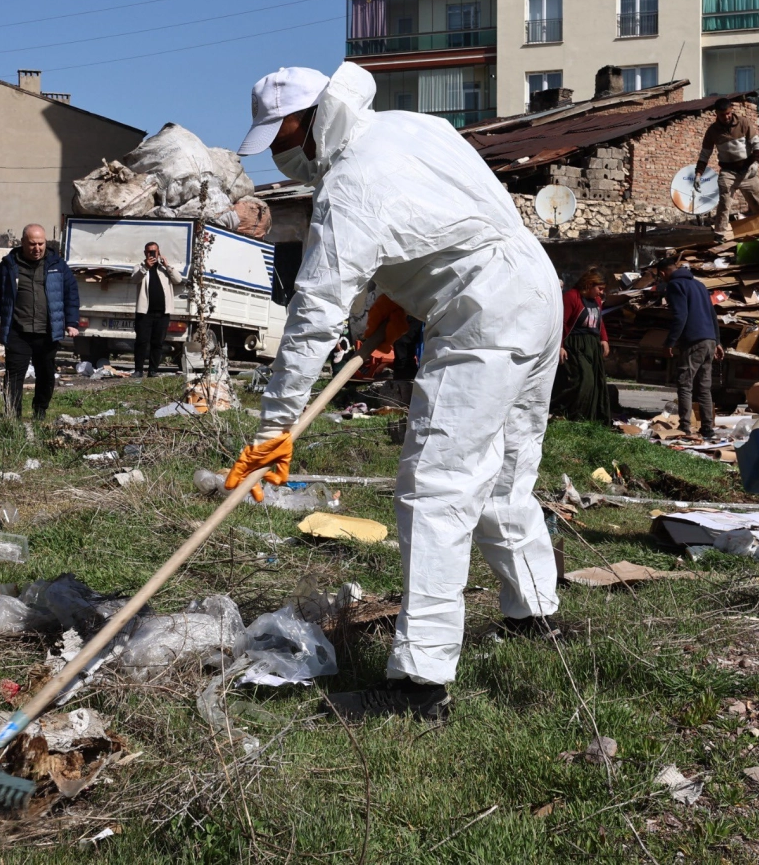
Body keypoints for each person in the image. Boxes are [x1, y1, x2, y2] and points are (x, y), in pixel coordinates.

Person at [226, 62, 563, 723]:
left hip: (483, 314)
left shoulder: (350, 185)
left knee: (436, 487)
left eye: (279, 133)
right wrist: (395, 299)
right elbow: (451, 221)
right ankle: (534, 617)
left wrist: (275, 426)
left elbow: (314, 314)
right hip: (534, 290)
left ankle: (418, 686)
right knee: (503, 478)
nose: (275, 150)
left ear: (310, 119)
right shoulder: (412, 128)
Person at [0, 224, 80, 420]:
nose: (37, 248)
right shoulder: (9, 265)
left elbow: (71, 294)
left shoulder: (57, 265)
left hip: (47, 331)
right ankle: (13, 416)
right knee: (14, 376)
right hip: (18, 331)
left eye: (41, 243)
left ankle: (40, 411)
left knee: (45, 375)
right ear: (23, 243)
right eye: (32, 244)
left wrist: (71, 322)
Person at [658, 254, 720, 439]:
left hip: (693, 341)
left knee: (685, 384)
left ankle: (685, 427)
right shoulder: (700, 285)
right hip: (709, 341)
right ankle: (707, 429)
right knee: (704, 387)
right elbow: (712, 314)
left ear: (663, 273)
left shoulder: (675, 286)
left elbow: (680, 316)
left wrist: (670, 342)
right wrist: (718, 341)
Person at [694, 101, 759, 239]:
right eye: (722, 115)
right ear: (716, 114)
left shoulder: (744, 123)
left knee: (757, 202)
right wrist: (698, 174)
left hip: (747, 170)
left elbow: (756, 143)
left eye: (728, 113)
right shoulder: (712, 131)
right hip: (728, 171)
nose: (726, 117)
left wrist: (756, 162)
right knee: (724, 201)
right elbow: (705, 154)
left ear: (731, 110)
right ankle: (720, 233)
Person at [551, 268, 613, 423]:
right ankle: (570, 414)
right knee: (584, 380)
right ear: (589, 284)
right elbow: (562, 323)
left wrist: (604, 339)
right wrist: (560, 345)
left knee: (595, 382)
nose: (600, 293)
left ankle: (589, 418)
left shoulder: (596, 301)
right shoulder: (572, 297)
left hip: (592, 345)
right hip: (575, 344)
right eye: (599, 288)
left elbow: (599, 320)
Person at [131, 241, 183, 378]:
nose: (151, 254)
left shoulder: (164, 269)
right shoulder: (139, 267)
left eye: (154, 251)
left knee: (158, 343)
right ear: (145, 253)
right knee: (141, 341)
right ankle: (138, 370)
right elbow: (134, 280)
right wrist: (145, 268)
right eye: (149, 252)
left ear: (159, 252)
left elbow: (178, 280)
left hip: (162, 313)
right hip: (145, 313)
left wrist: (167, 266)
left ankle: (153, 370)